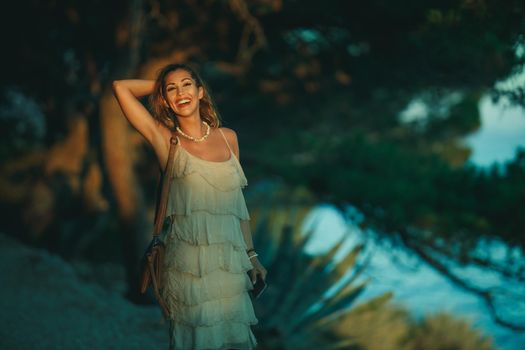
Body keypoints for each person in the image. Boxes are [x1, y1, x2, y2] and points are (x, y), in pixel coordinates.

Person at [112, 63, 267, 349]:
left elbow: (237, 205)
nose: (180, 93)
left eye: (186, 85)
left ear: (200, 92)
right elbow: (121, 87)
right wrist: (161, 84)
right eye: (172, 89)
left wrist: (252, 255)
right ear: (165, 99)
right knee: (197, 341)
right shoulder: (165, 139)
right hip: (187, 268)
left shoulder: (228, 137)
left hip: (229, 265)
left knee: (232, 341)